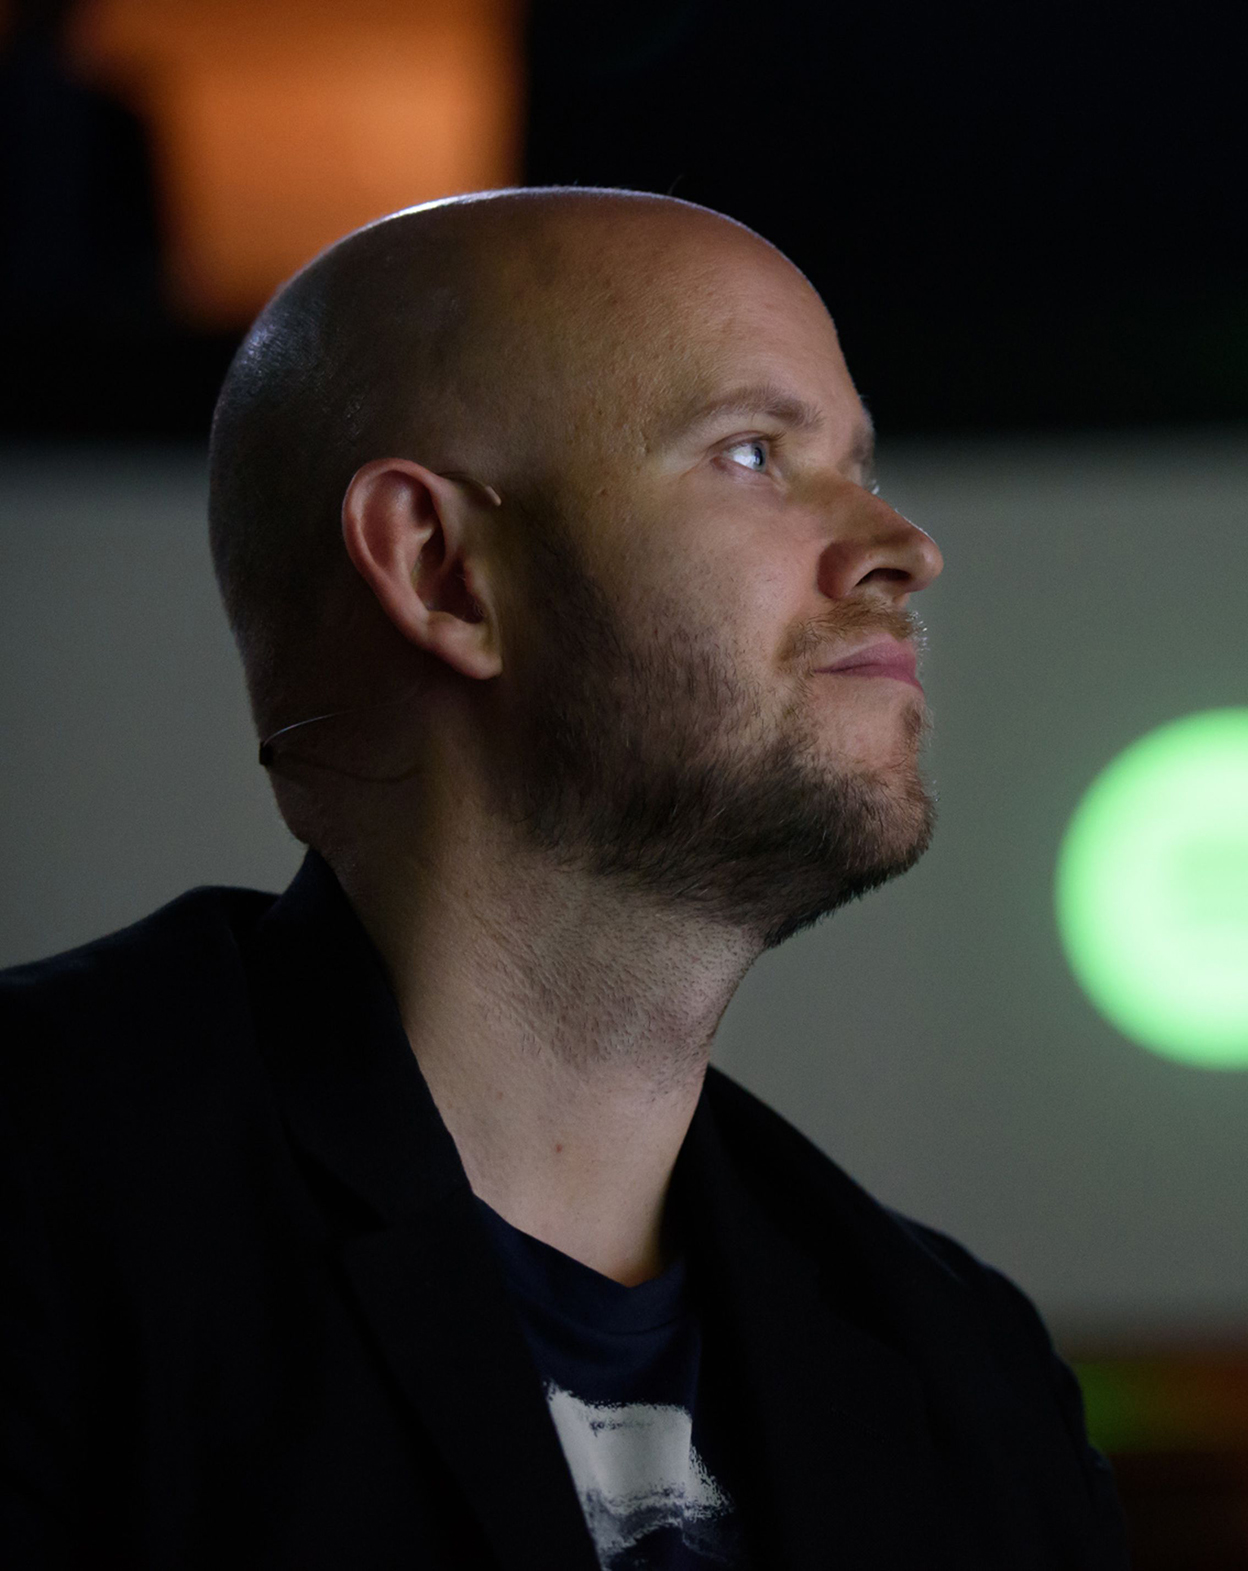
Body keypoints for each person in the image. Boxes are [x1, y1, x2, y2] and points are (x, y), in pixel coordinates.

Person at [0, 189, 1128, 1570]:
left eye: (860, 461)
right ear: (442, 572)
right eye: (754, 453)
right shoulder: (45, 1196)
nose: (904, 546)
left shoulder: (970, 1374)